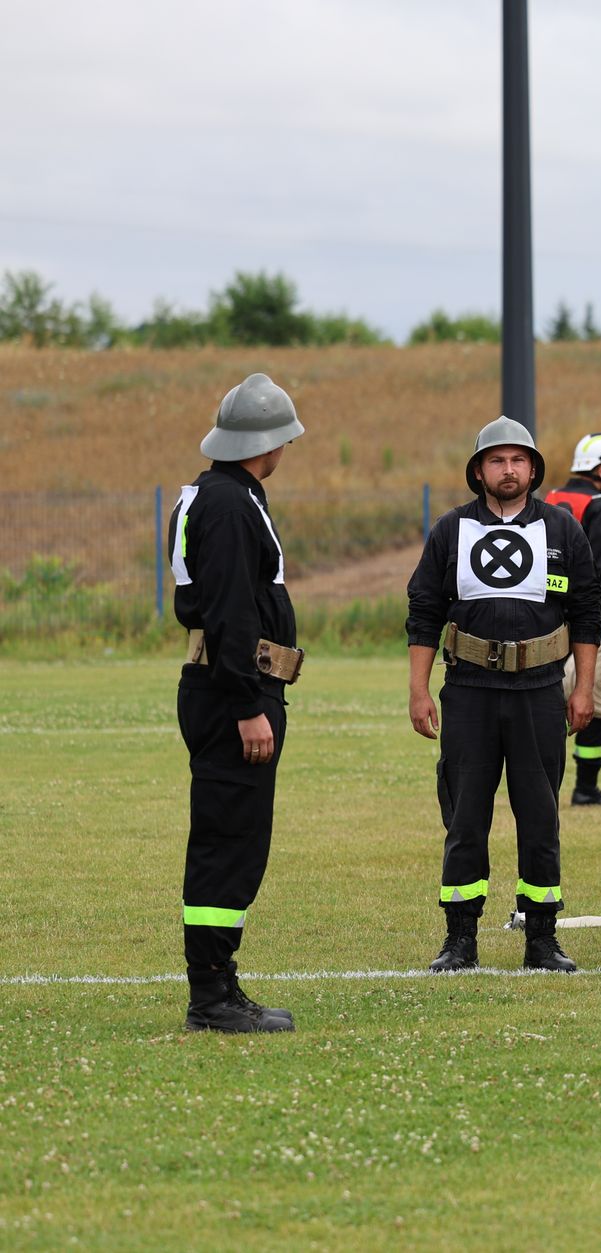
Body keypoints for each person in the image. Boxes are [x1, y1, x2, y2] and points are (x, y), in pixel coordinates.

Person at [406, 418, 601, 973]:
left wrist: (584, 689)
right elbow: (424, 611)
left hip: (540, 692)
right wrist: (419, 690)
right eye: (497, 460)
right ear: (479, 471)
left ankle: (542, 938)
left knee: (540, 816)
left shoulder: (563, 529)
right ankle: (459, 938)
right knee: (465, 816)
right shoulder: (450, 529)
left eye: (518, 460)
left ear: (533, 470)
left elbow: (588, 611)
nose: (508, 470)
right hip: (469, 691)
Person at [171, 372, 306, 1032]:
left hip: (225, 688)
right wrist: (248, 704)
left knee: (234, 839)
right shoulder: (229, 505)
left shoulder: (219, 493)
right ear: (270, 441)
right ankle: (211, 997)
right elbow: (230, 612)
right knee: (228, 843)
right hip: (233, 693)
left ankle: (219, 984)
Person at [548, 432, 601, 807]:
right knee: (597, 693)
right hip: (585, 619)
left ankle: (546, 784)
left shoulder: (550, 498)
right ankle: (586, 785)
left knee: (549, 700)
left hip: (546, 617)